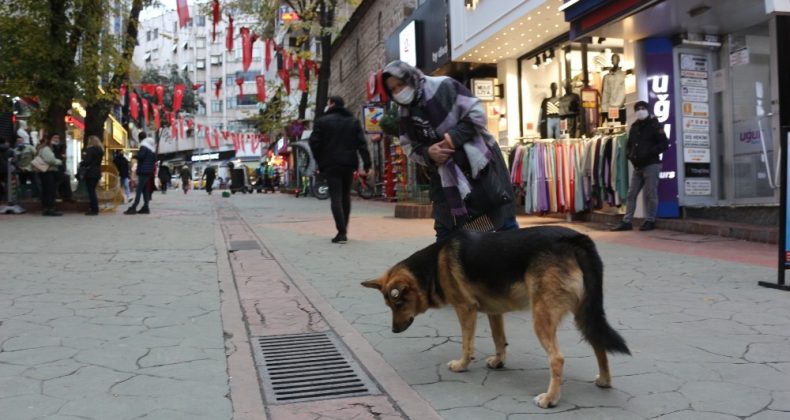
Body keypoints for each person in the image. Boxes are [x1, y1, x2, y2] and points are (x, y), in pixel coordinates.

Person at [382, 60, 517, 242]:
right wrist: (429, 152)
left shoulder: (443, 86)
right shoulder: (405, 113)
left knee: (504, 225)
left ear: (410, 78)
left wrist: (452, 138)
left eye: (401, 84)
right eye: (394, 89)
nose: (399, 91)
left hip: (479, 167)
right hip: (445, 177)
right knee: (446, 238)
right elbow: (409, 146)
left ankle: (515, 266)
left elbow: (477, 113)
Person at [309, 95, 373, 244]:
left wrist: (320, 160)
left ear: (331, 104)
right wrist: (367, 164)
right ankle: (344, 230)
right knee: (345, 196)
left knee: (336, 197)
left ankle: (341, 232)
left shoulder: (322, 122)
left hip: (331, 164)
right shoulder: (352, 121)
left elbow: (314, 143)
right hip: (349, 164)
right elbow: (362, 144)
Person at [610, 100, 670, 232]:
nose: (640, 110)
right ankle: (627, 221)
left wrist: (650, 152)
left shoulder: (655, 125)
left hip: (652, 165)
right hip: (638, 166)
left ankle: (650, 220)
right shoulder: (634, 126)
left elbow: (664, 144)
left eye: (643, 108)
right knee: (631, 194)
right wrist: (629, 155)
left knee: (650, 194)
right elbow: (629, 144)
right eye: (638, 108)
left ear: (647, 110)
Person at [124, 132, 156, 215]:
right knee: (145, 190)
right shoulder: (152, 148)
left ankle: (134, 207)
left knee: (138, 190)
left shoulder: (143, 146)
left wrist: (134, 156)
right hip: (149, 171)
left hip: (143, 171)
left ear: (139, 138)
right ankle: (146, 207)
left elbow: (141, 156)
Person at [36, 134, 64, 216]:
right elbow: (50, 160)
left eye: (58, 137)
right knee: (49, 191)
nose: (57, 139)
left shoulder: (48, 148)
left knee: (48, 190)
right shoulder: (46, 149)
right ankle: (49, 208)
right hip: (48, 171)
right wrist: (59, 161)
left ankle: (47, 208)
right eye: (55, 138)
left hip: (47, 172)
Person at [81, 135, 103, 215]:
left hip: (90, 172)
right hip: (97, 172)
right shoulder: (100, 150)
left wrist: (81, 163)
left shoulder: (90, 150)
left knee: (91, 191)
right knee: (93, 190)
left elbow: (87, 161)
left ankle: (94, 209)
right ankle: (94, 208)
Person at [15, 134, 38, 199]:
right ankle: (23, 197)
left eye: (21, 141)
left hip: (31, 168)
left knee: (34, 183)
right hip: (21, 170)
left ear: (23, 141)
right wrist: (20, 168)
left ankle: (36, 196)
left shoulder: (30, 148)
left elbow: (36, 156)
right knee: (22, 184)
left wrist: (30, 166)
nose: (20, 143)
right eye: (18, 142)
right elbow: (15, 161)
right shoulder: (15, 150)